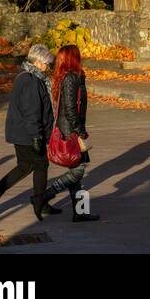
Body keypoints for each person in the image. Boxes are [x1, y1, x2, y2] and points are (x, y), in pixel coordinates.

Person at [0, 43, 57, 220]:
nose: (48, 67)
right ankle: (39, 204)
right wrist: (37, 136)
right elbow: (31, 112)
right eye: (46, 63)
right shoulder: (30, 81)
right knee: (41, 165)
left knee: (26, 166)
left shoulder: (30, 77)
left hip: (23, 132)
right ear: (37, 62)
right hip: (27, 134)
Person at [44, 44, 99, 222]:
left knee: (76, 176)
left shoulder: (72, 77)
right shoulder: (70, 78)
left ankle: (80, 212)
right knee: (78, 171)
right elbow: (69, 109)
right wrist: (80, 131)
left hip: (71, 128)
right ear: (73, 58)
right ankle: (45, 196)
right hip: (70, 131)